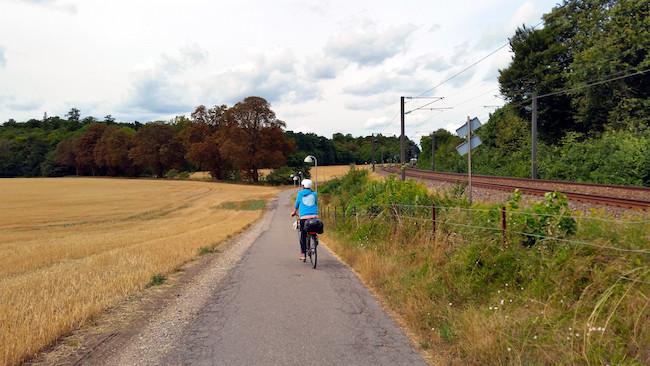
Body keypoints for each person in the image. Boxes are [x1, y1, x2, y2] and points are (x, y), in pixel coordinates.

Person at [290, 179, 318, 261]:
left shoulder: (300, 194)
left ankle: (303, 254)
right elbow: (315, 203)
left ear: (303, 186)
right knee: (313, 229)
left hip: (304, 218)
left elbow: (297, 205)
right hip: (314, 217)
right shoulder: (315, 194)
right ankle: (315, 238)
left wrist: (294, 212)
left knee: (303, 235)